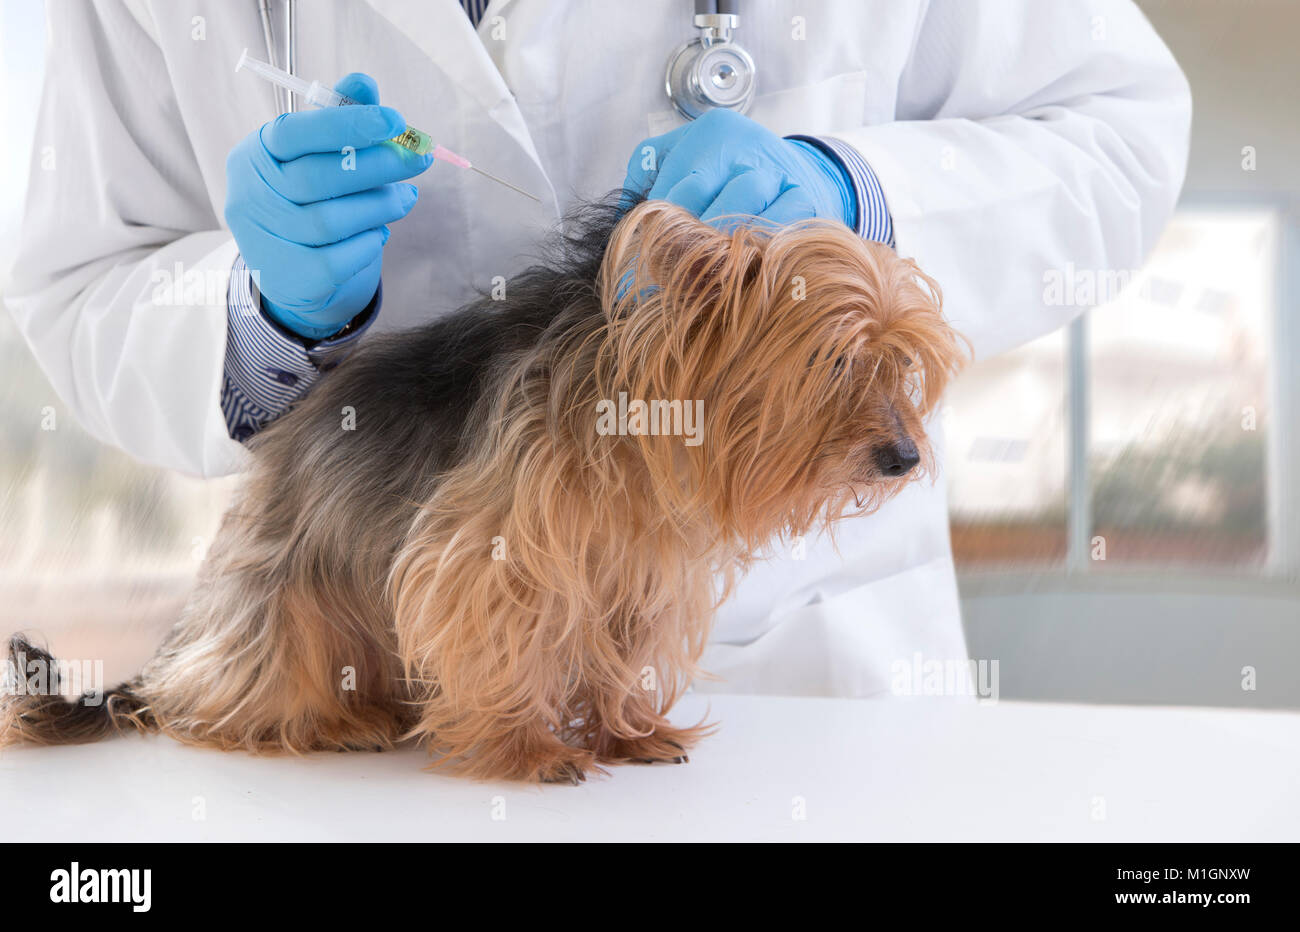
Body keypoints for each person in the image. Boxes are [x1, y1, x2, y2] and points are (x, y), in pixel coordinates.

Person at [4, 0, 1190, 696]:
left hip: (794, 677)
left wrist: (846, 196)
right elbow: (81, 280)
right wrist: (270, 315)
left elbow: (1119, 128)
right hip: (363, 673)